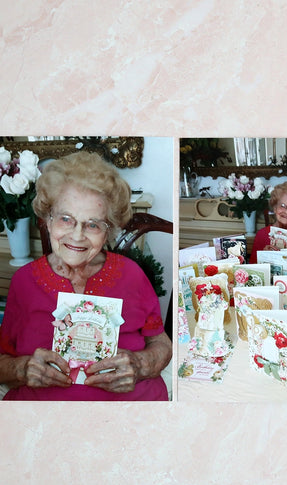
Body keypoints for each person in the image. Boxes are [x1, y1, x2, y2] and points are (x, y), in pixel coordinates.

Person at [0, 151, 172, 400]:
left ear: (109, 230)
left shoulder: (131, 275)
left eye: (93, 224)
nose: (78, 235)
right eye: (66, 219)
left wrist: (140, 364)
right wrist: (22, 368)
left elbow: (161, 343)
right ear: (47, 220)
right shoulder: (24, 282)